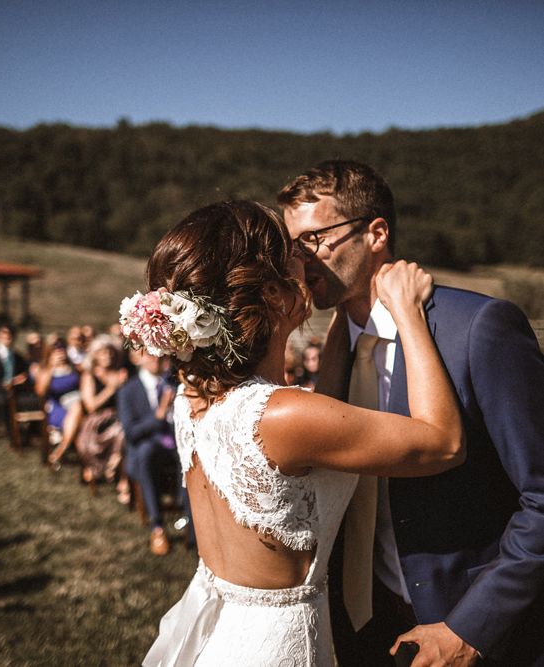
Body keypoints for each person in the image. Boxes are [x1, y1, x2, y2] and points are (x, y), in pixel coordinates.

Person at [120, 200, 464, 666]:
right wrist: (407, 312)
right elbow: (443, 442)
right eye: (294, 257)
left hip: (223, 630)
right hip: (280, 647)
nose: (308, 261)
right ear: (274, 296)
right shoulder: (284, 416)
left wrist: (347, 315)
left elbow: (321, 405)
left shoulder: (195, 399)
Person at [278, 160, 544, 666]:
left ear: (376, 232)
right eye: (291, 246)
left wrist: (472, 627)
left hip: (471, 626)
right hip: (362, 619)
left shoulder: (478, 329)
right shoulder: (338, 347)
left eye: (312, 239)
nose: (298, 259)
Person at [117, 352, 186, 556]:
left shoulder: (175, 384)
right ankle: (157, 526)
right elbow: (131, 432)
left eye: (161, 356)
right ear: (139, 358)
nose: (156, 360)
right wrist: (160, 413)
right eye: (150, 355)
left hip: (175, 443)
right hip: (147, 450)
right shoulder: (128, 390)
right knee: (144, 454)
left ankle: (190, 518)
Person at [74, 335, 127, 485]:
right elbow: (91, 406)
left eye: (110, 352)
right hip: (97, 420)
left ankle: (116, 464)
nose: (108, 356)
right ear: (95, 355)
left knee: (123, 429)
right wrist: (111, 388)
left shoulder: (120, 372)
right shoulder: (89, 375)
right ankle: (108, 467)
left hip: (118, 416)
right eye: (103, 352)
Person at [34, 338, 83, 469]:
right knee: (77, 409)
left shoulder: (74, 367)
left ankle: (61, 449)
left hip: (79, 403)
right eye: (56, 351)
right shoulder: (45, 370)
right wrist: (51, 368)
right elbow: (40, 391)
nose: (60, 354)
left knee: (78, 406)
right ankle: (63, 450)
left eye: (61, 350)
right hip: (58, 405)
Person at [0, 324, 31, 440]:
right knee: (4, 401)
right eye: (4, 333)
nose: (8, 336)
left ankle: (31, 430)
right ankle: (12, 433)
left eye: (10, 335)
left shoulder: (18, 357)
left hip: (16, 391)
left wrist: (22, 379)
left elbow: (25, 374)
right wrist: (4, 386)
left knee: (32, 400)